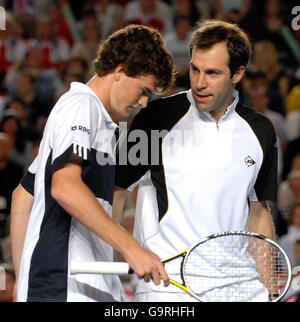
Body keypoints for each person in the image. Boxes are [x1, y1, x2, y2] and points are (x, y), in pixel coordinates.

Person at [113, 19, 278, 302]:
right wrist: (116, 263)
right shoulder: (156, 119)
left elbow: (258, 212)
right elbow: (114, 193)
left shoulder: (261, 130)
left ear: (237, 74)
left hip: (242, 287)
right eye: (195, 69)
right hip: (168, 286)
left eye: (213, 73)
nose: (200, 83)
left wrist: (270, 286)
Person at [10, 24, 175, 302]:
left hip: (67, 284)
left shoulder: (96, 120)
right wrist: (132, 248)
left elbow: (22, 197)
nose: (145, 103)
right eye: (144, 90)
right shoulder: (82, 106)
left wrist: (22, 280)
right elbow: (64, 186)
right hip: (63, 285)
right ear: (120, 71)